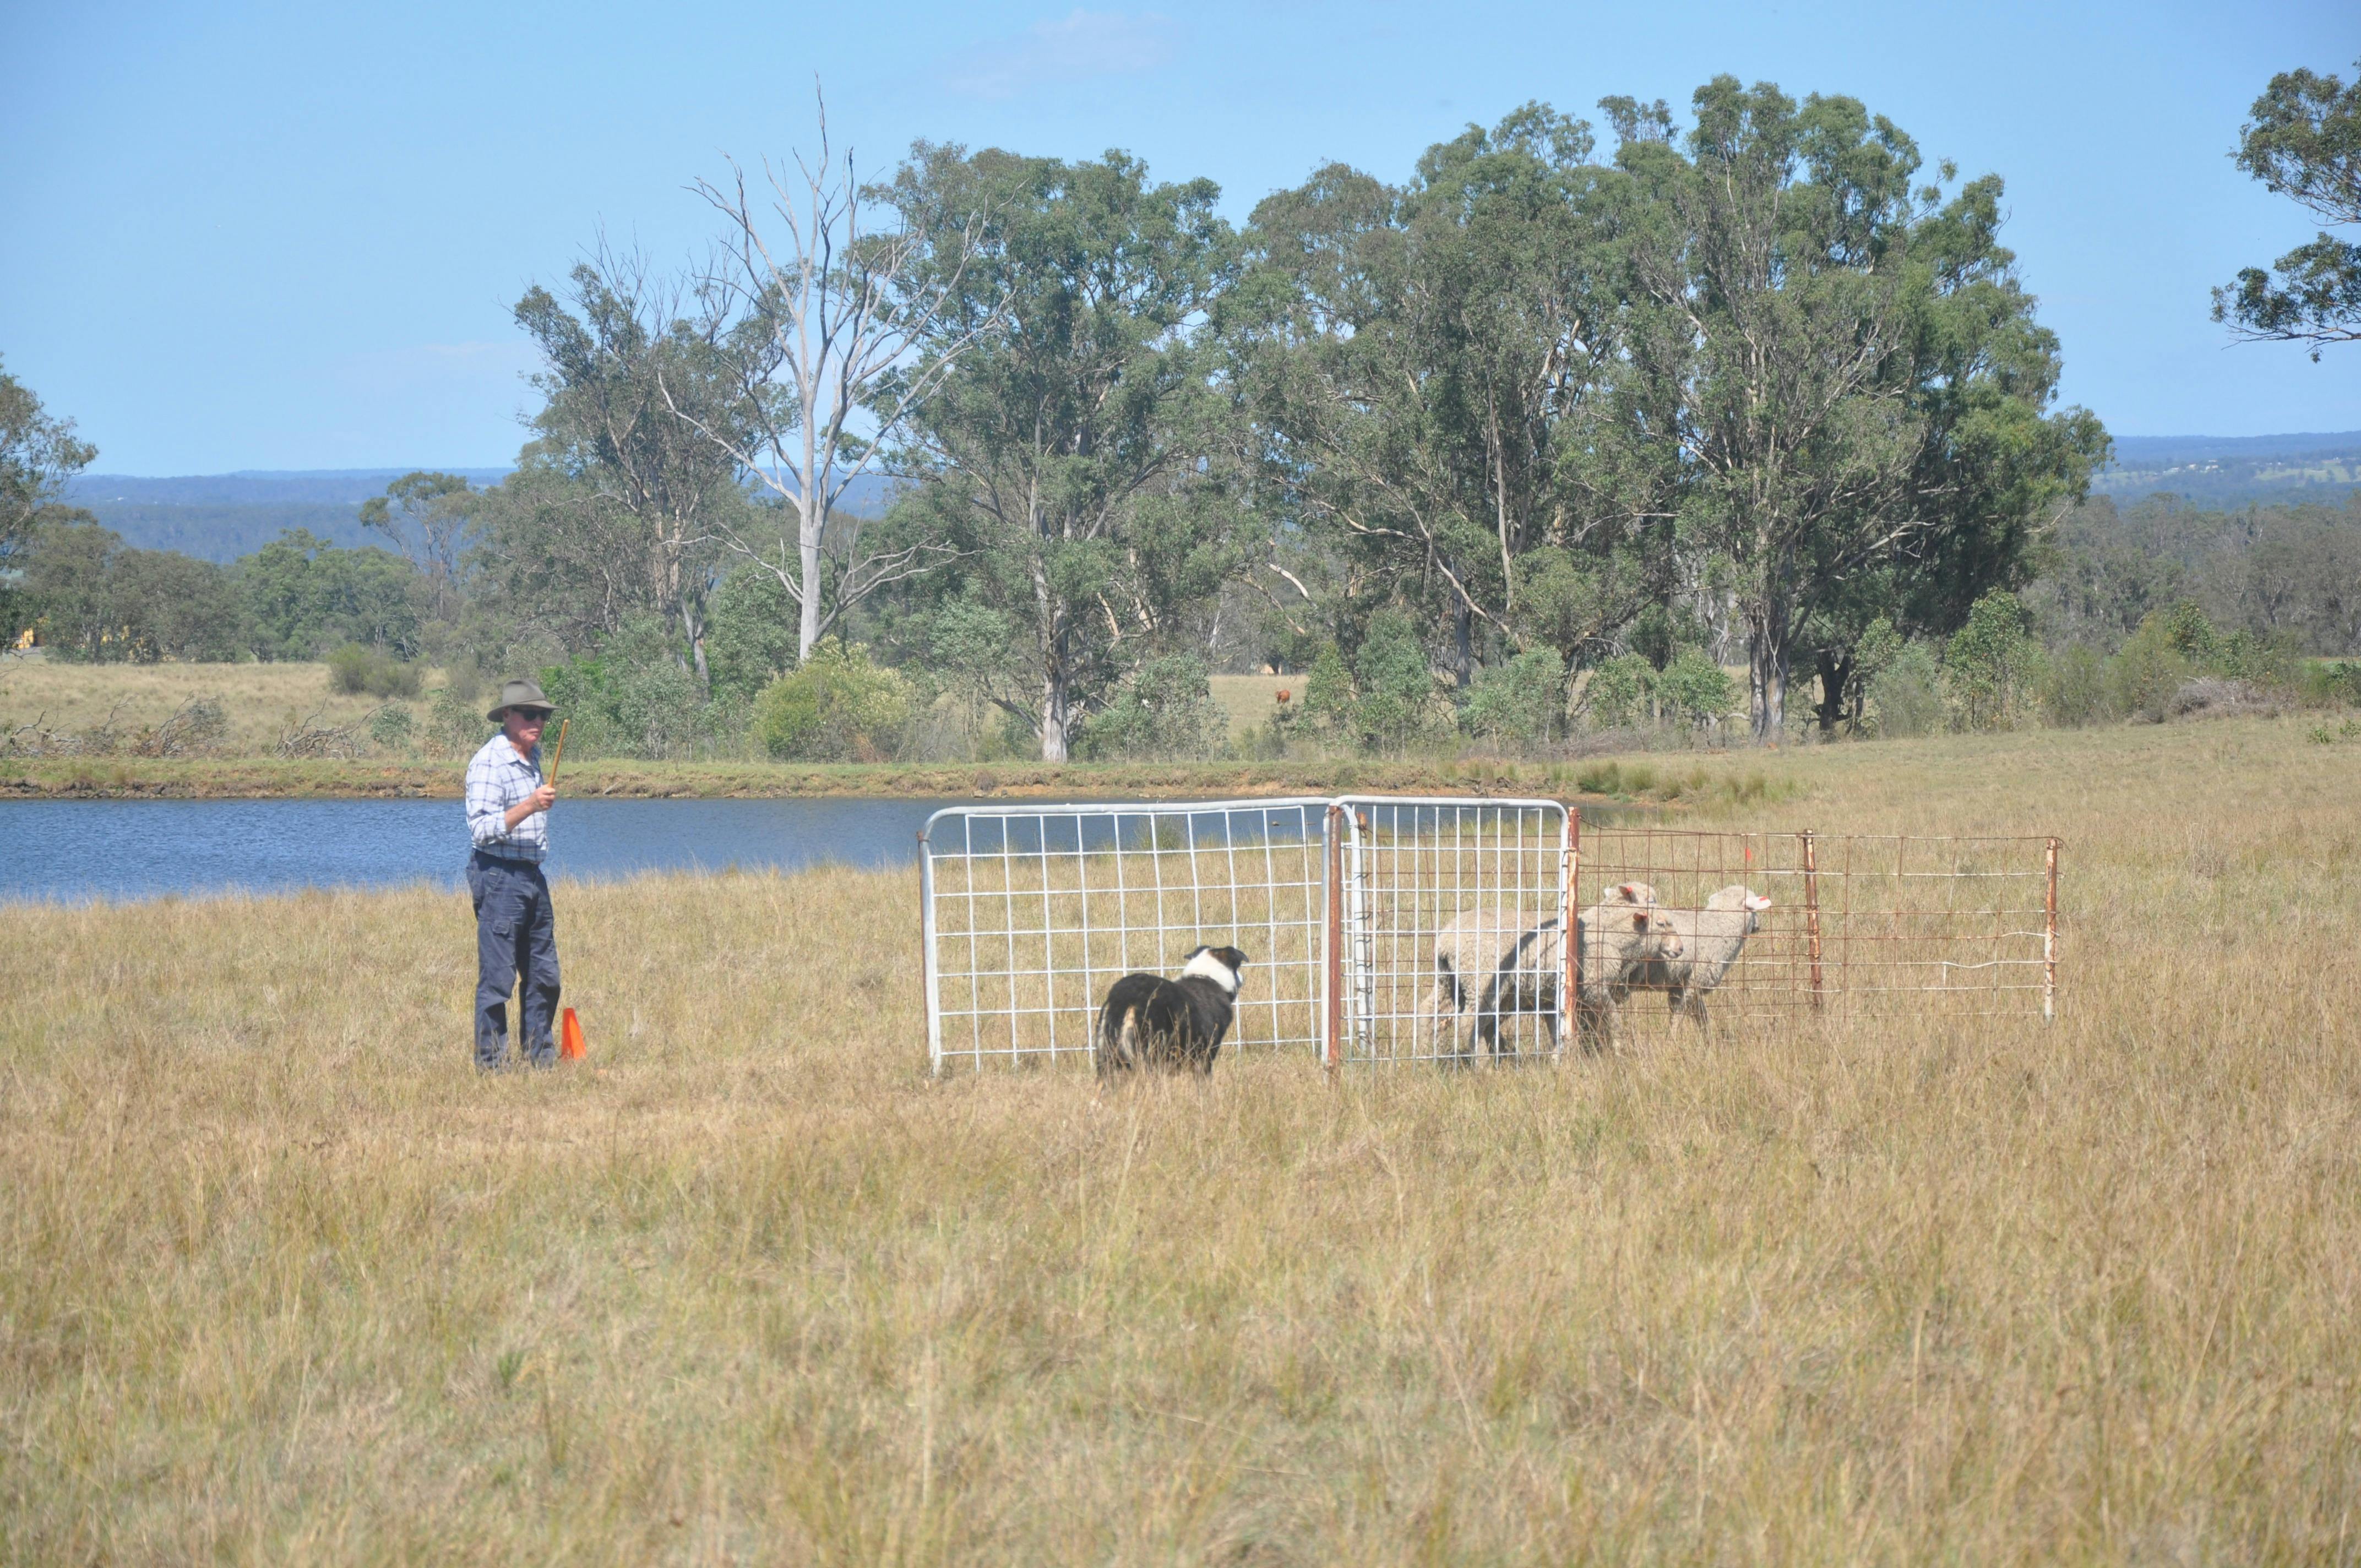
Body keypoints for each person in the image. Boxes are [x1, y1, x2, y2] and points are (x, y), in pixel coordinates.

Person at [463, 678, 563, 1070]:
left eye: (543, 716)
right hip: (498, 875)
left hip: (532, 874)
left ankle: (540, 1059)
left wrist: (532, 806)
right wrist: (530, 805)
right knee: (498, 979)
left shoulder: (533, 757)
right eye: (530, 714)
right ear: (507, 716)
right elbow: (482, 829)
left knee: (544, 975)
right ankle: (492, 1065)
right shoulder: (490, 762)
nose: (538, 721)